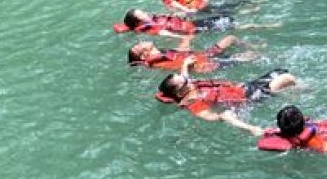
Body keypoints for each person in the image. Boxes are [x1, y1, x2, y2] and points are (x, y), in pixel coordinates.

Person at [155, 61, 296, 127]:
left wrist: (185, 65)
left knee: (281, 70)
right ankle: (300, 94)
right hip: (250, 98)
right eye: (185, 81)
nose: (189, 80)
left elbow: (184, 77)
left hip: (246, 87)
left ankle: (297, 92)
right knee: (287, 79)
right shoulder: (195, 104)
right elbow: (220, 116)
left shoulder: (187, 87)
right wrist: (250, 128)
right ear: (180, 93)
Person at [114, 8, 279, 37]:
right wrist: (182, 39)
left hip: (193, 23)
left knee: (224, 17)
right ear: (137, 20)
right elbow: (164, 32)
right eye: (140, 13)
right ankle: (263, 26)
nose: (144, 12)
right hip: (194, 30)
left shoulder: (153, 18)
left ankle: (249, 15)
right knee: (231, 26)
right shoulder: (147, 27)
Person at [128, 35, 257, 72]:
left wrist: (186, 39)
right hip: (206, 64)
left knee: (230, 38)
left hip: (204, 55)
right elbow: (182, 65)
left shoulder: (161, 51)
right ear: (144, 55)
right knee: (250, 57)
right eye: (138, 46)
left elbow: (180, 53)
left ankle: (255, 46)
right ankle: (262, 56)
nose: (140, 41)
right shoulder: (154, 62)